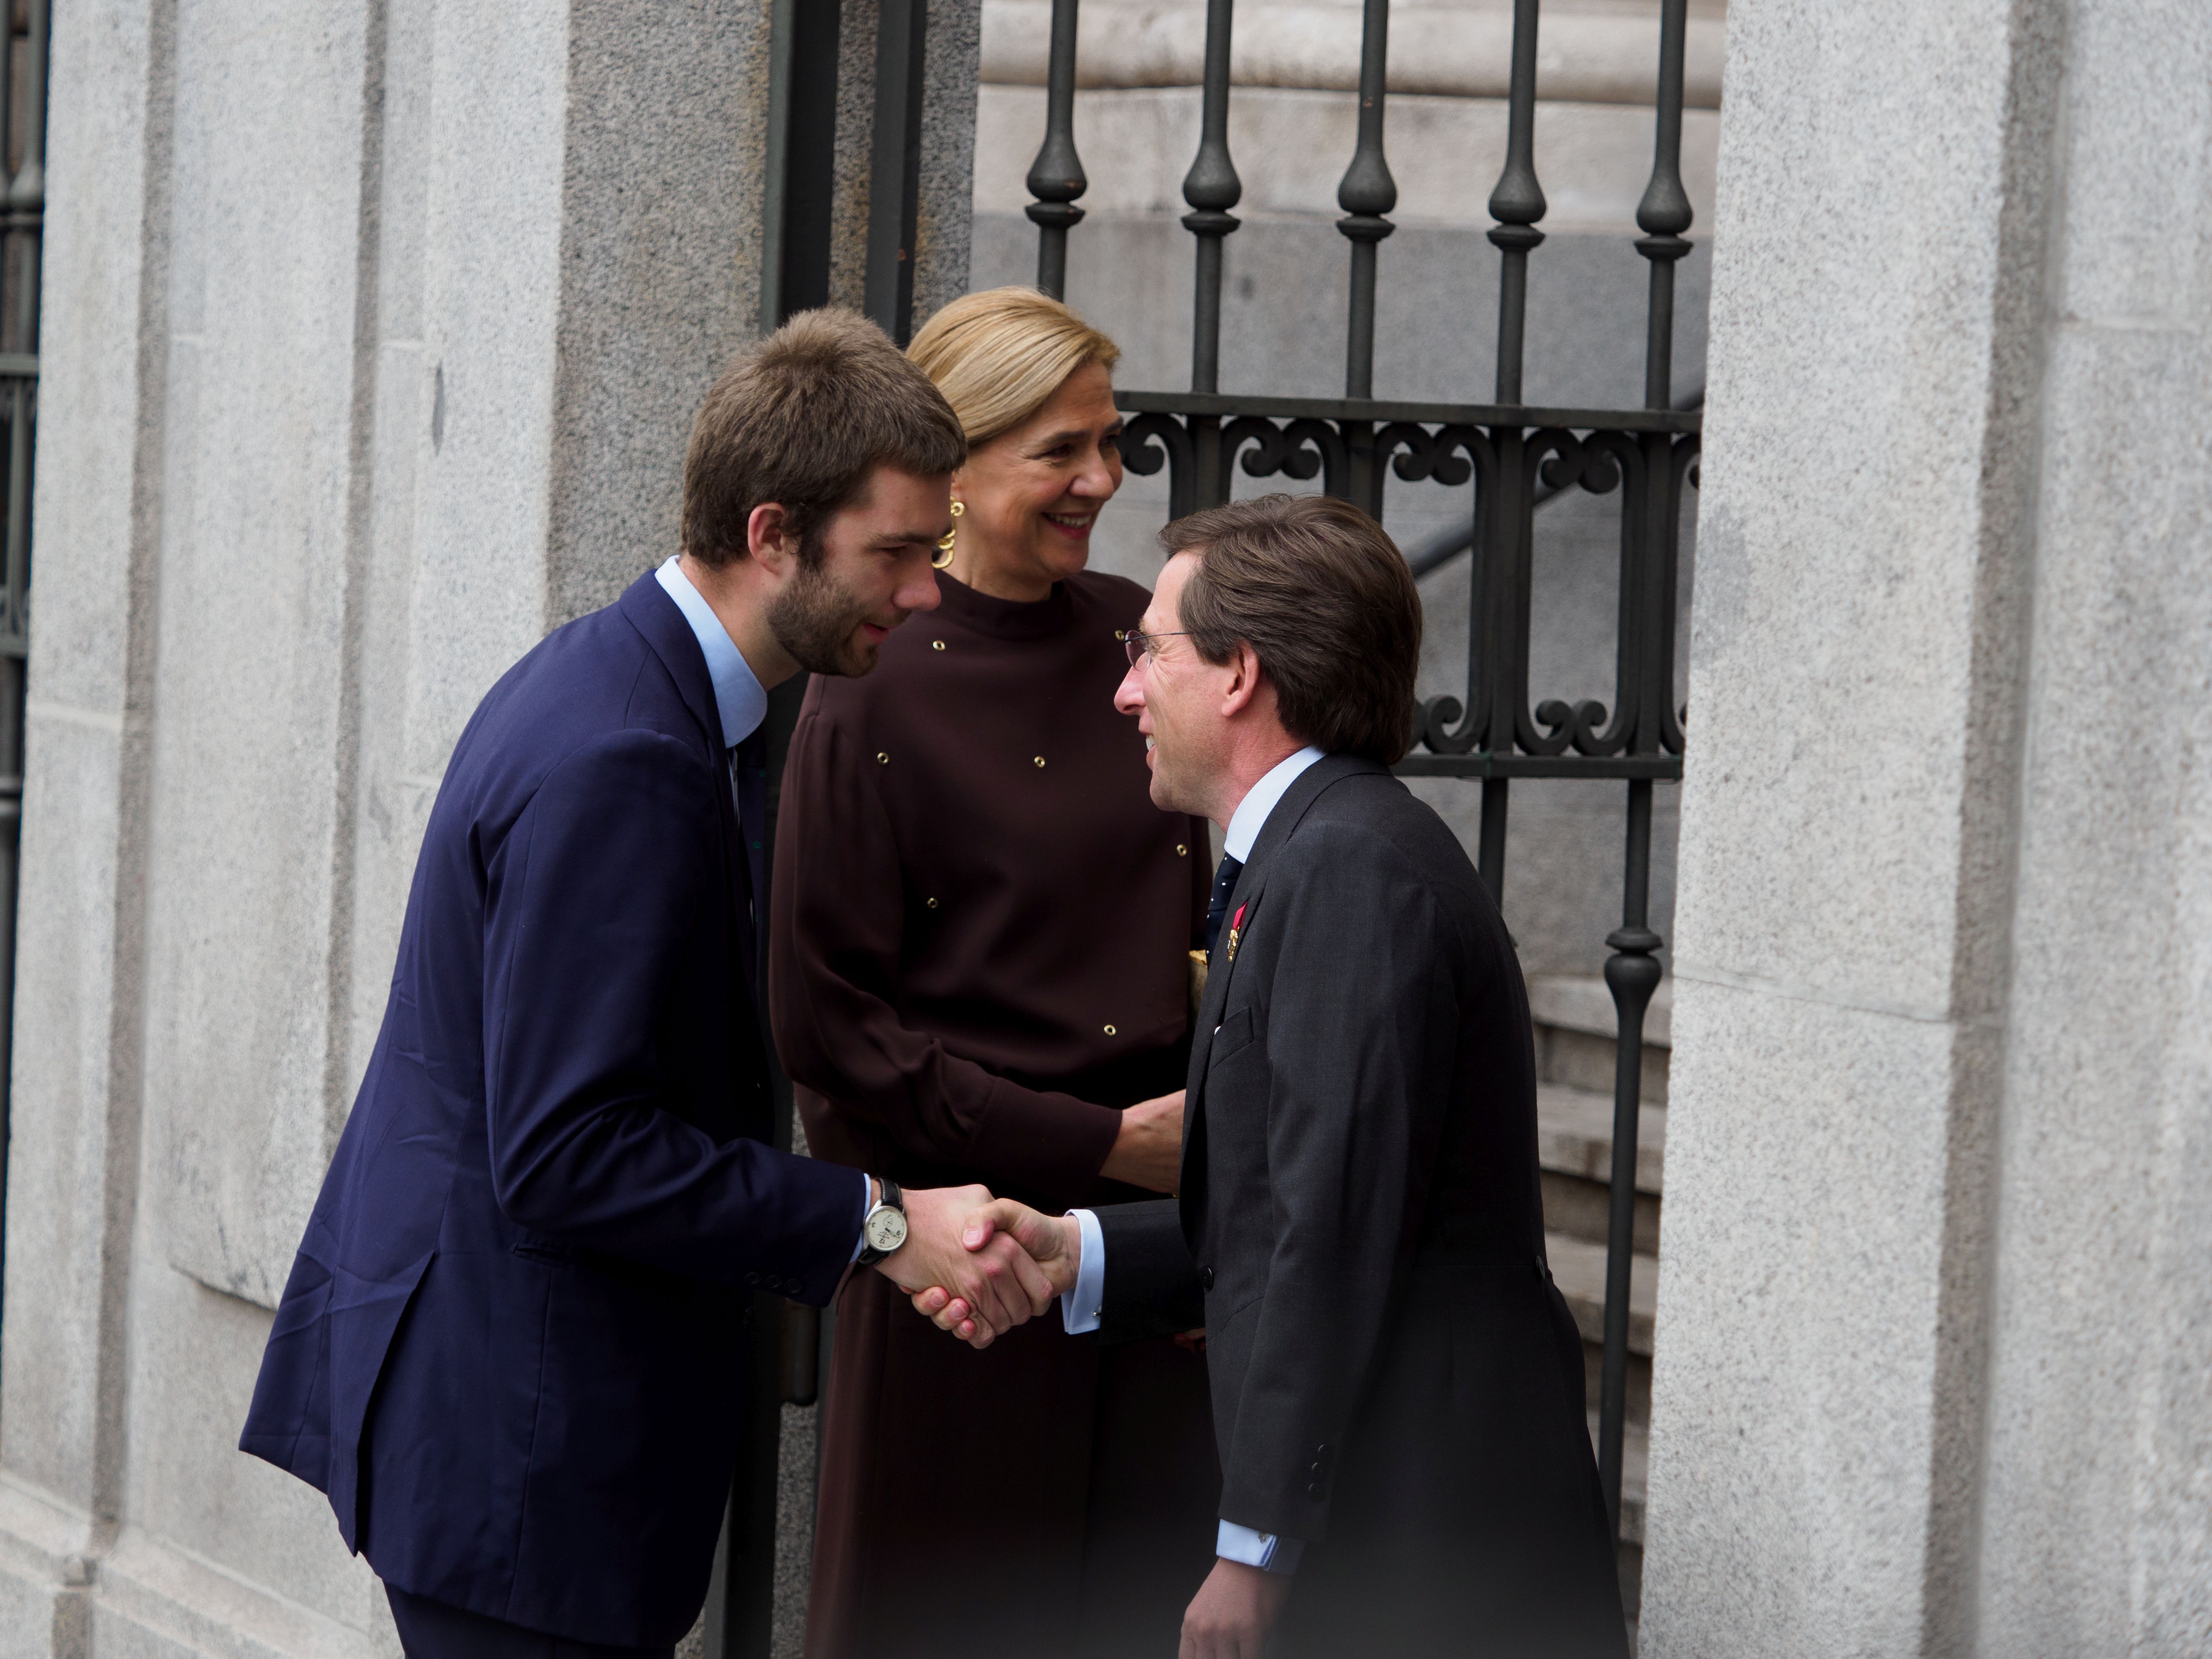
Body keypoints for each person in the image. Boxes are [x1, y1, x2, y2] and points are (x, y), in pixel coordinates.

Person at [238, 309, 1059, 1659]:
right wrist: (880, 1223)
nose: (924, 594)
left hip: (511, 1430)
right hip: (524, 1464)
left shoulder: (627, 682)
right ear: (774, 533)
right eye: (900, 553)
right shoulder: (629, 755)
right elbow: (567, 1150)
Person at [927, 494, 1630, 1658]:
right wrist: (1077, 1252)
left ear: (1240, 671)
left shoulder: (1349, 868)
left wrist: (1253, 1547)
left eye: (1148, 651)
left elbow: (1334, 1224)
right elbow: (1287, 1201)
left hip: (1425, 1528)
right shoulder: (1316, 852)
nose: (1126, 691)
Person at [768, 287, 1219, 1659]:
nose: (1103, 478)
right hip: (963, 1268)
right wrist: (1096, 1146)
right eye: (1060, 450)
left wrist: (1186, 1163)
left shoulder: (1145, 635)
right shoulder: (869, 683)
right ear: (954, 466)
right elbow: (832, 1030)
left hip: (1158, 1270)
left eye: (1111, 441)